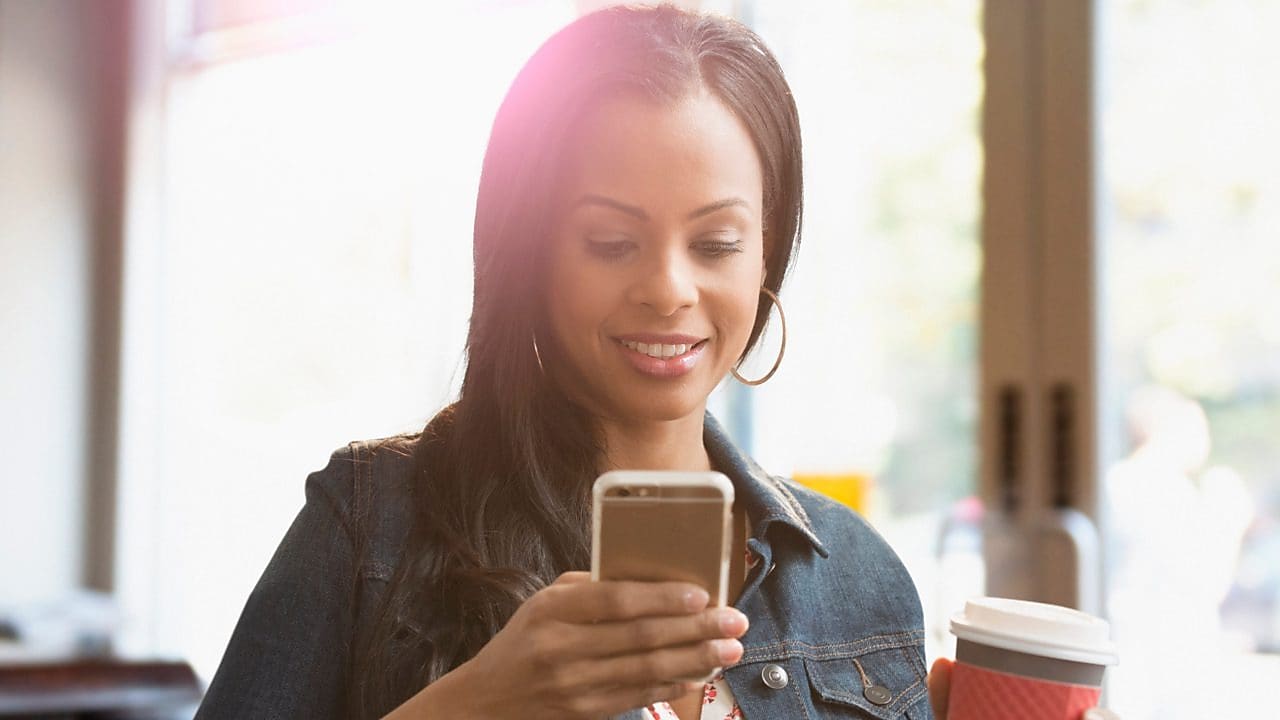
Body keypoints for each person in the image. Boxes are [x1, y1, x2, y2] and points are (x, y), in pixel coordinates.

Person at [196, 6, 937, 719]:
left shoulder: (862, 581)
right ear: (531, 252)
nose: (668, 291)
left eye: (716, 245)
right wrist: (477, 706)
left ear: (766, 251)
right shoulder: (369, 526)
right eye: (612, 243)